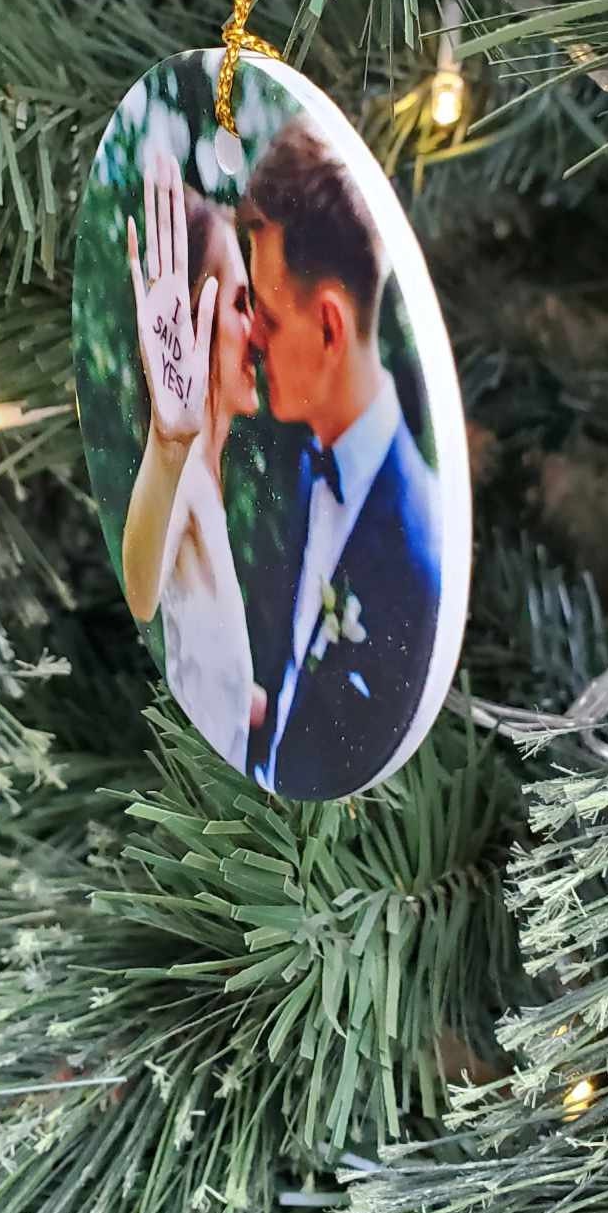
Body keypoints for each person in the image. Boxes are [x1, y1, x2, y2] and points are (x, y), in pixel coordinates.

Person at [240, 115, 441, 800]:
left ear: (329, 327)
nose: (252, 339)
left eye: (268, 318)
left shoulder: (424, 557)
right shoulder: (303, 469)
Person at [122, 151, 265, 773]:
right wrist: (167, 444)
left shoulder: (207, 473)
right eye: (238, 303)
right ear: (190, 323)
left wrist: (246, 697)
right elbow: (142, 592)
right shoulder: (182, 475)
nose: (255, 328)